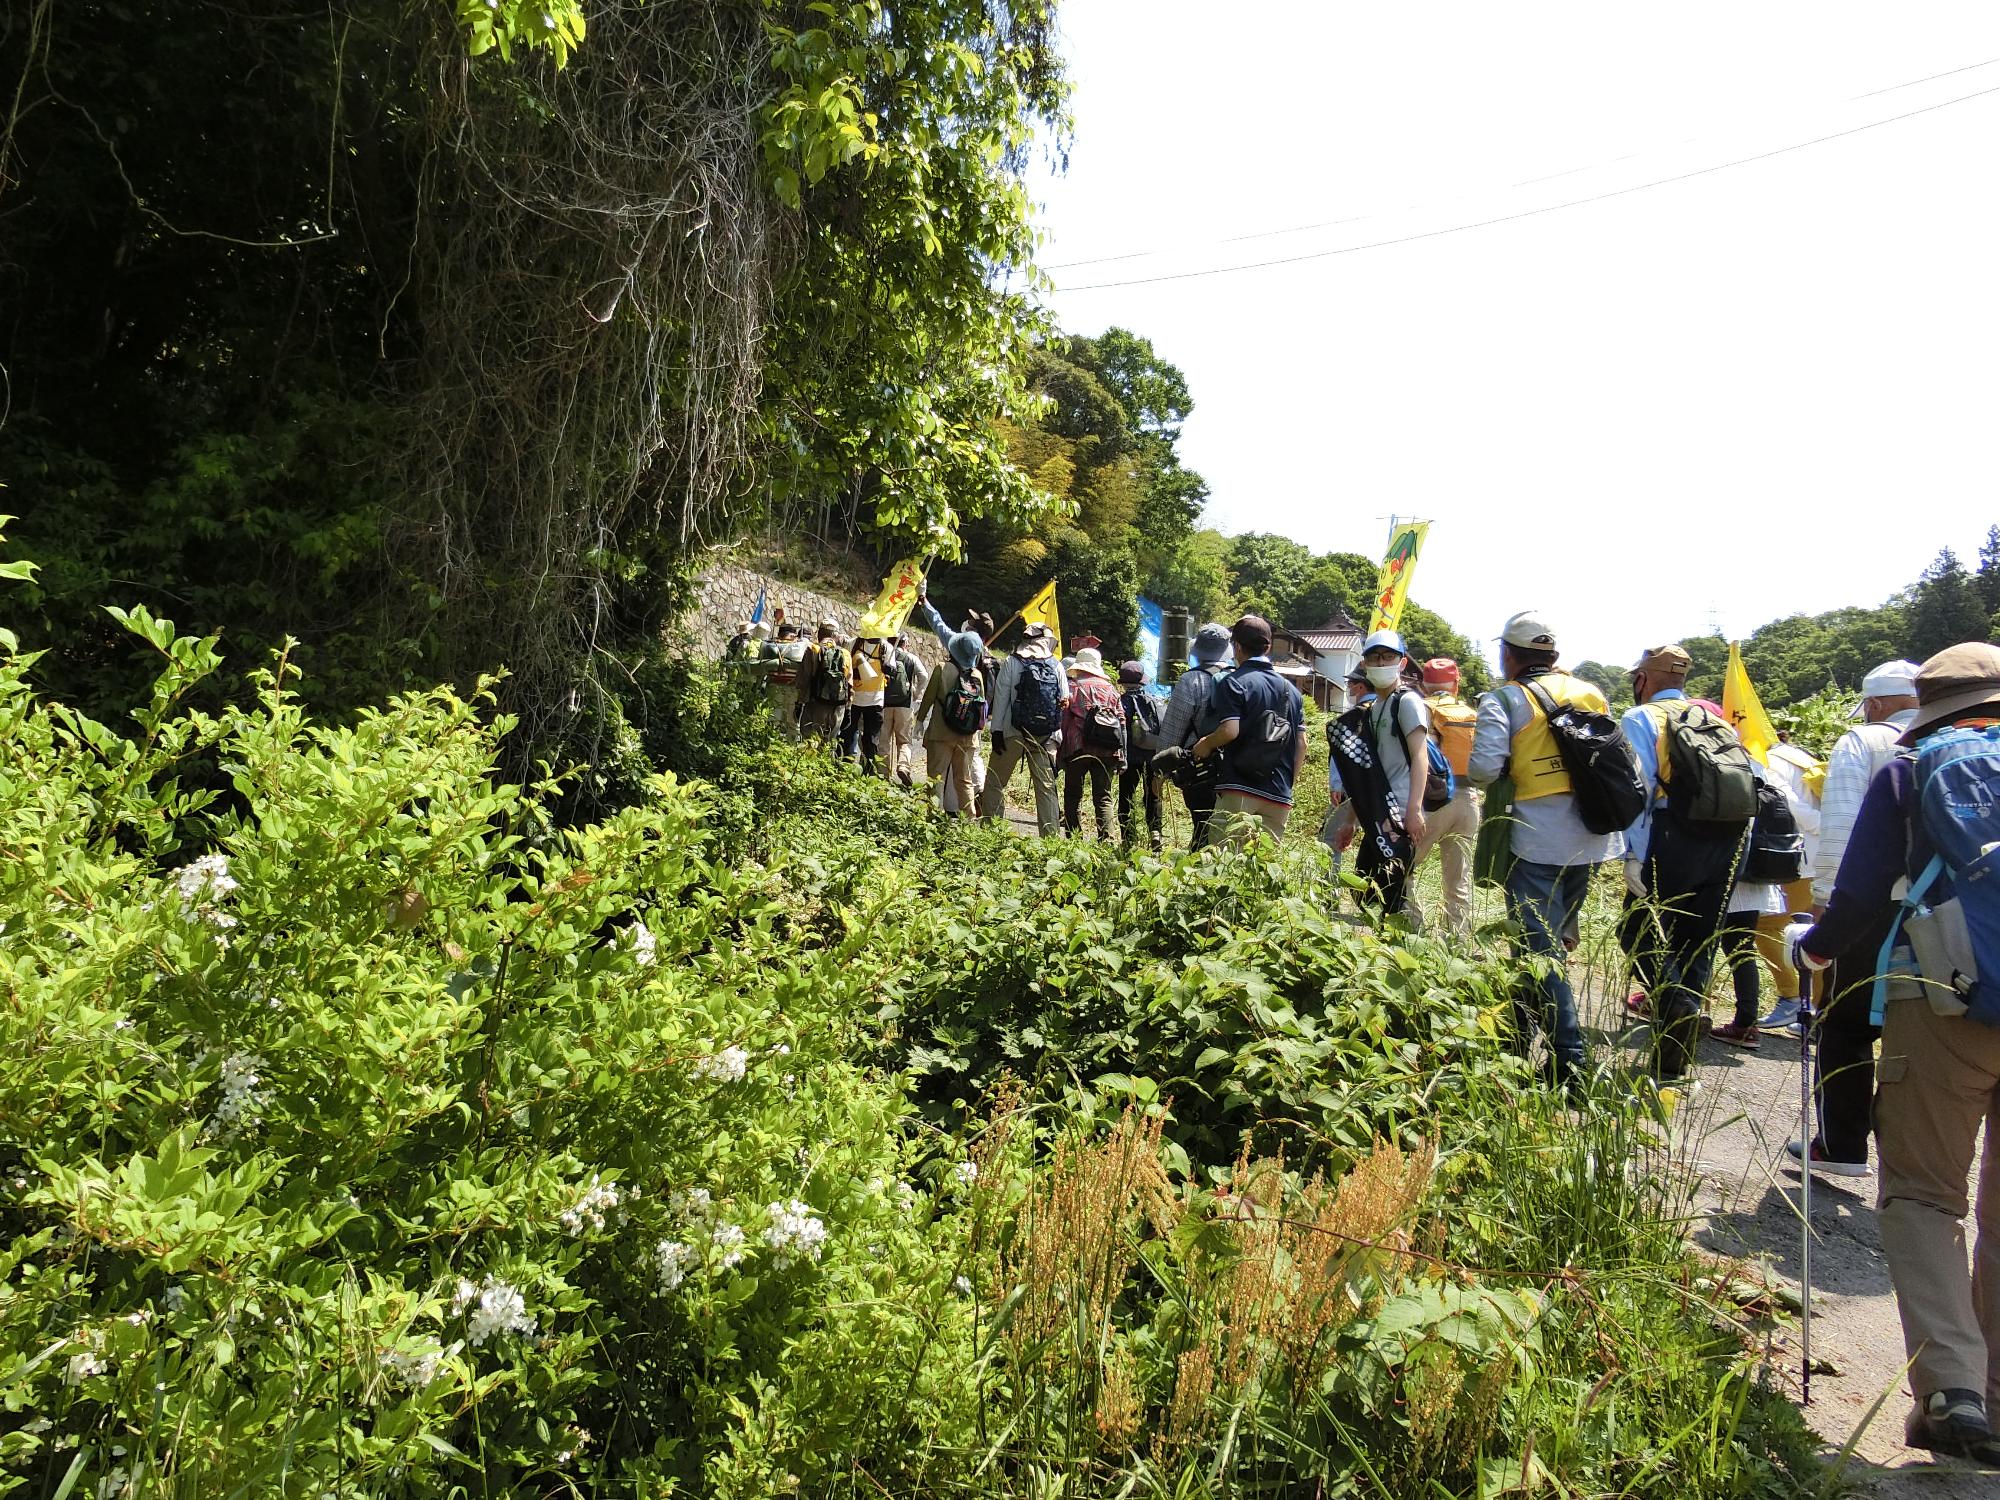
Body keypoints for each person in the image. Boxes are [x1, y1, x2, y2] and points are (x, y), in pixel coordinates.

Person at [1796, 643, 2000, 1465]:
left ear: (1927, 707)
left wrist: (1815, 953)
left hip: (1942, 1002)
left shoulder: (1910, 772)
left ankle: (1954, 1390)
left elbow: (1858, 901)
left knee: (1923, 1195)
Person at [1466, 612, 1625, 1087]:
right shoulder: (1591, 691)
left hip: (1538, 839)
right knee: (1543, 944)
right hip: (1594, 837)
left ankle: (1570, 1064)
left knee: (1541, 951)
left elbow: (1483, 770)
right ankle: (1517, 1037)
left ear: (1509, 655)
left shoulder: (1505, 699)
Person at [1786, 658, 1921, 1174]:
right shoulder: (1966, 739)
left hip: (1873, 905)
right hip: (1952, 910)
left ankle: (1841, 1144)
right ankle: (1914, 1158)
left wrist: (1825, 903)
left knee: (1847, 1022)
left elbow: (1841, 825)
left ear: (1878, 703)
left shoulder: (1864, 741)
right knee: (1919, 1029)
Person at [1620, 644, 1752, 1084]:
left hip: (1669, 833)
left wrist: (1633, 855)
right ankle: (1672, 1064)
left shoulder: (1641, 719)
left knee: (1636, 930)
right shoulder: (1715, 719)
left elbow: (1637, 790)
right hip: (1726, 838)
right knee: (1698, 941)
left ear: (1643, 679)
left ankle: (1678, 1006)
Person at [1336, 629, 1432, 916]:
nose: (1380, 663)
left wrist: (1414, 810)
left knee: (1392, 895)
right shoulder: (1375, 707)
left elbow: (1420, 756)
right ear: (1364, 664)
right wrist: (1350, 821)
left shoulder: (1407, 702)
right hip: (1377, 813)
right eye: (1374, 658)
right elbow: (1367, 774)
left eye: (1388, 657)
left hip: (1400, 814)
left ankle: (1408, 949)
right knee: (1364, 889)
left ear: (1402, 663)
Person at [1192, 615, 1306, 846]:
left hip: (1239, 788)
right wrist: (1286, 783)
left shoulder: (1234, 682)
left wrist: (1204, 744)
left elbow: (1230, 730)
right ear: (1269, 647)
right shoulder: (1292, 691)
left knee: (1224, 865)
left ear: (1236, 646)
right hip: (1279, 795)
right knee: (1261, 871)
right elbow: (1302, 745)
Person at [1711, 764, 1793, 1049]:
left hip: (1725, 866)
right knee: (1742, 948)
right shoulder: (1756, 763)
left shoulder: (1719, 760)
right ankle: (1746, 1024)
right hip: (1757, 869)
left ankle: (1687, 1008)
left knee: (1699, 939)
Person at [1752, 734, 1823, 1032]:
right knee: (1815, 933)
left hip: (1796, 858)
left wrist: (1820, 823)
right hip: (1821, 857)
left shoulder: (1768, 761)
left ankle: (1791, 997)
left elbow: (1790, 806)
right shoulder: (1799, 755)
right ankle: (1817, 1010)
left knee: (1765, 926)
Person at [982, 621, 1070, 836]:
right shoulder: (1056, 665)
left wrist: (996, 731)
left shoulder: (1012, 662)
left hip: (1012, 732)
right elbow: (1064, 701)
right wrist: (1056, 735)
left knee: (995, 782)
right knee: (1046, 789)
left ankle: (990, 833)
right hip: (1045, 736)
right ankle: (1050, 842)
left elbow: (1001, 698)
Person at [1414, 656, 1481, 932]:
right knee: (1458, 879)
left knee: (1403, 867)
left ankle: (1410, 927)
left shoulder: (1420, 708)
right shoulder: (1470, 712)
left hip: (1432, 800)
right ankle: (1457, 940)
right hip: (1470, 800)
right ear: (1456, 683)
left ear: (1423, 684)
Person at [1155, 623, 1234, 848]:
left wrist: (1160, 771)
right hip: (1233, 769)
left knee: (1201, 827)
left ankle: (1198, 874)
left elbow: (1172, 729)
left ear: (1197, 651)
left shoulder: (1191, 680)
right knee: (1228, 830)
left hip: (1199, 769)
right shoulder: (1238, 678)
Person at [911, 605, 988, 818]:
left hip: (941, 733)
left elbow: (928, 697)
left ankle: (933, 816)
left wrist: (919, 721)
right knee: (963, 780)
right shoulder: (977, 676)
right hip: (966, 737)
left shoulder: (943, 669)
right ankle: (969, 818)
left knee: (936, 776)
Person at [1059, 648, 1126, 841]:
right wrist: (1123, 756)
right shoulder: (1111, 689)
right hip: (1107, 748)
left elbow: (1064, 720)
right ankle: (1107, 839)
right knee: (1104, 797)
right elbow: (1122, 722)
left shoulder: (1072, 687)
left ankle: (1074, 838)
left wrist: (1060, 752)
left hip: (1077, 747)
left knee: (1073, 794)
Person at [1116, 662, 1166, 852]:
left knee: (1126, 795)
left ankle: (1128, 839)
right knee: (1153, 795)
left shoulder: (1120, 702)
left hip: (1130, 758)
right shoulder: (1154, 700)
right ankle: (1155, 833)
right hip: (1153, 756)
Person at [880, 633, 927, 787]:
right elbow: (924, 676)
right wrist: (915, 693)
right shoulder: (911, 658)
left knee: (884, 740)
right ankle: (903, 766)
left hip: (885, 703)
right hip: (905, 705)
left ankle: (882, 773)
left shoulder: (886, 656)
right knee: (904, 741)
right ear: (905, 643)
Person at [798, 623, 851, 744]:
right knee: (829, 743)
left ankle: (811, 763)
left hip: (816, 704)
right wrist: (848, 709)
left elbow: (803, 680)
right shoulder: (845, 654)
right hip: (838, 706)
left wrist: (800, 703)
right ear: (835, 636)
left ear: (819, 634)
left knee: (811, 741)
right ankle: (827, 762)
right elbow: (849, 684)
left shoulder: (813, 650)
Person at [847, 637, 890, 775]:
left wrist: (889, 669)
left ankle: (868, 772)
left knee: (871, 740)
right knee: (847, 735)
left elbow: (892, 671)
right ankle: (844, 768)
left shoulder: (886, 647)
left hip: (875, 700)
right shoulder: (853, 643)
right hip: (854, 698)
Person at [762, 623, 811, 737]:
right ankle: (790, 746)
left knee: (773, 719)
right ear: (793, 635)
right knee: (793, 722)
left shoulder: (770, 646)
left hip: (774, 688)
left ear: (779, 634)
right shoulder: (799, 647)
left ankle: (770, 744)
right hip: (793, 690)